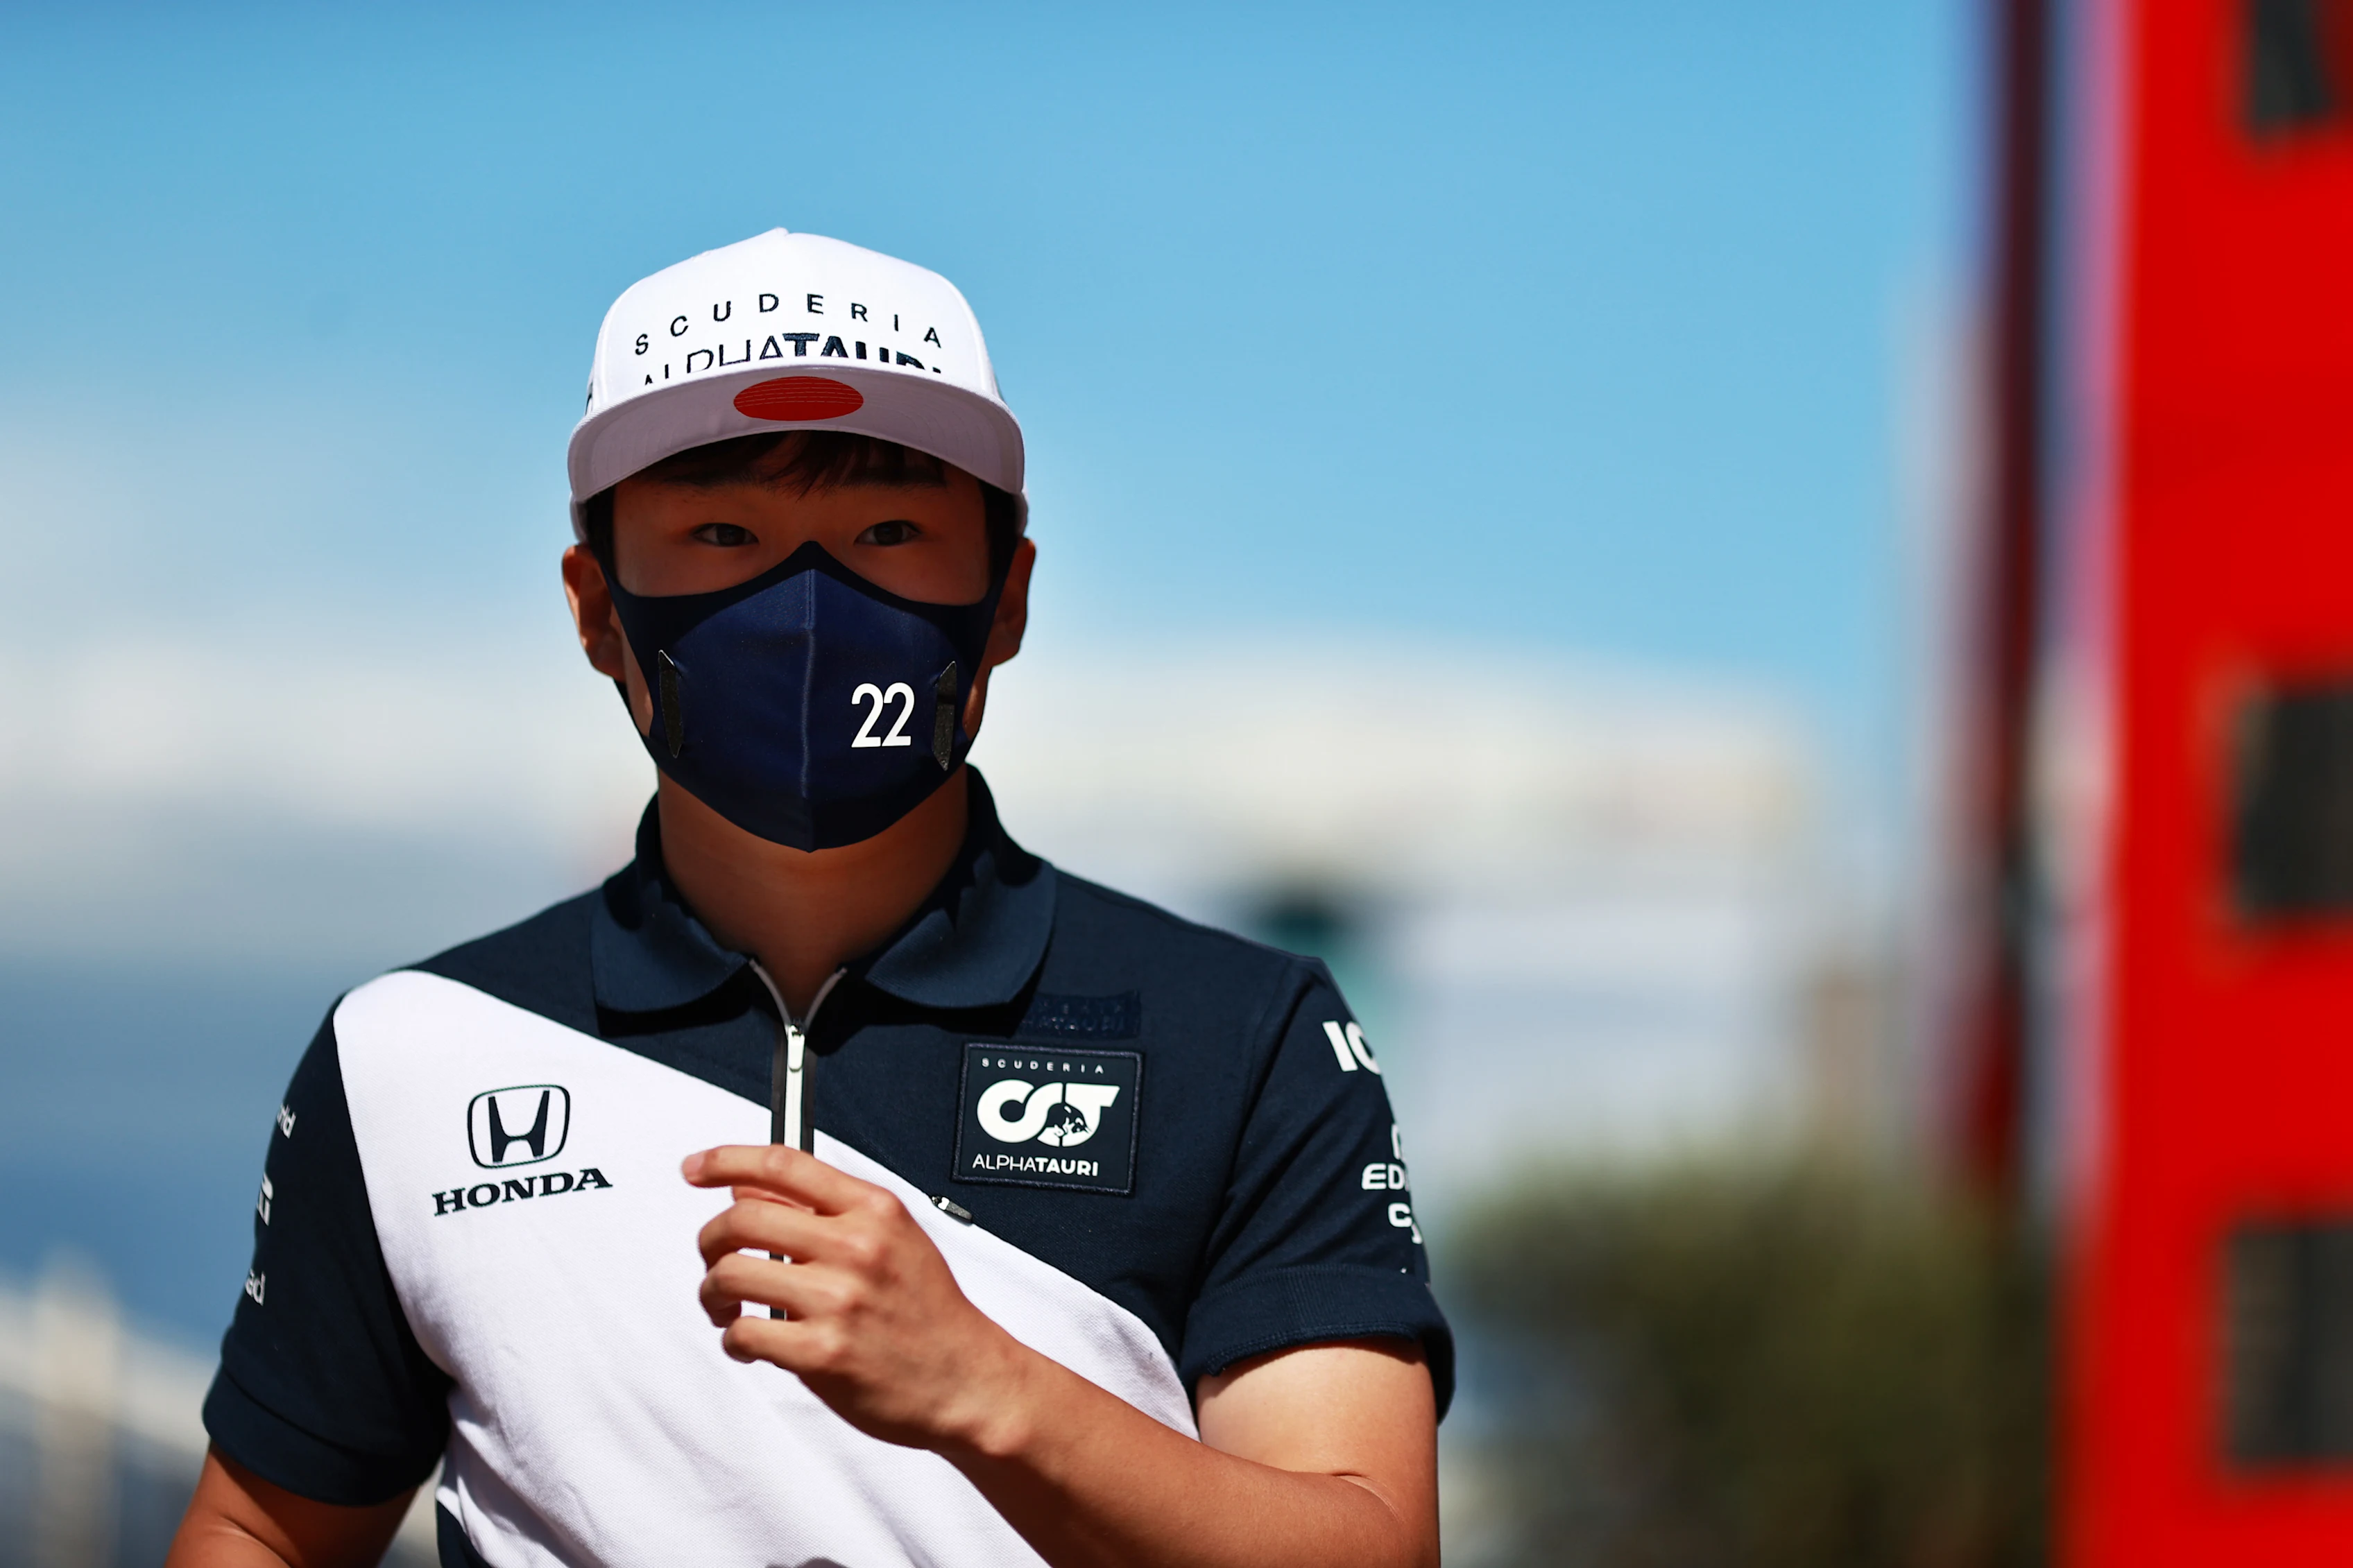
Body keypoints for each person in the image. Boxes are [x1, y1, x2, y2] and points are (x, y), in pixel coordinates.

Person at [166, 228, 1448, 1568]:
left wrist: (984, 1388)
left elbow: (1371, 1547)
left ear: (1005, 595)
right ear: (597, 608)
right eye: (723, 531)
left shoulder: (1241, 1034)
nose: (811, 603)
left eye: (890, 529)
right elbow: (264, 1527)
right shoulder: (409, 1055)